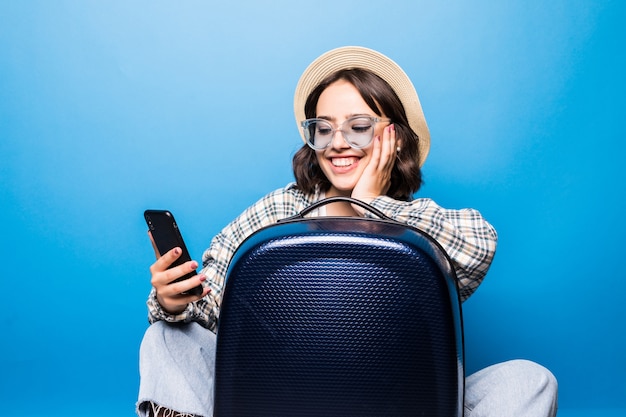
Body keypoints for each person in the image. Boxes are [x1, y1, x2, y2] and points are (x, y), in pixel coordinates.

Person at [136, 46, 558, 417]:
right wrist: (175, 300)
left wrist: (371, 205)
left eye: (358, 126)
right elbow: (213, 309)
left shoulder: (420, 222)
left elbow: (478, 247)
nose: (338, 142)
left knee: (529, 380)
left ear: (394, 138)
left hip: (400, 400)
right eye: (324, 128)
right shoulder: (279, 210)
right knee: (165, 338)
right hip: (275, 396)